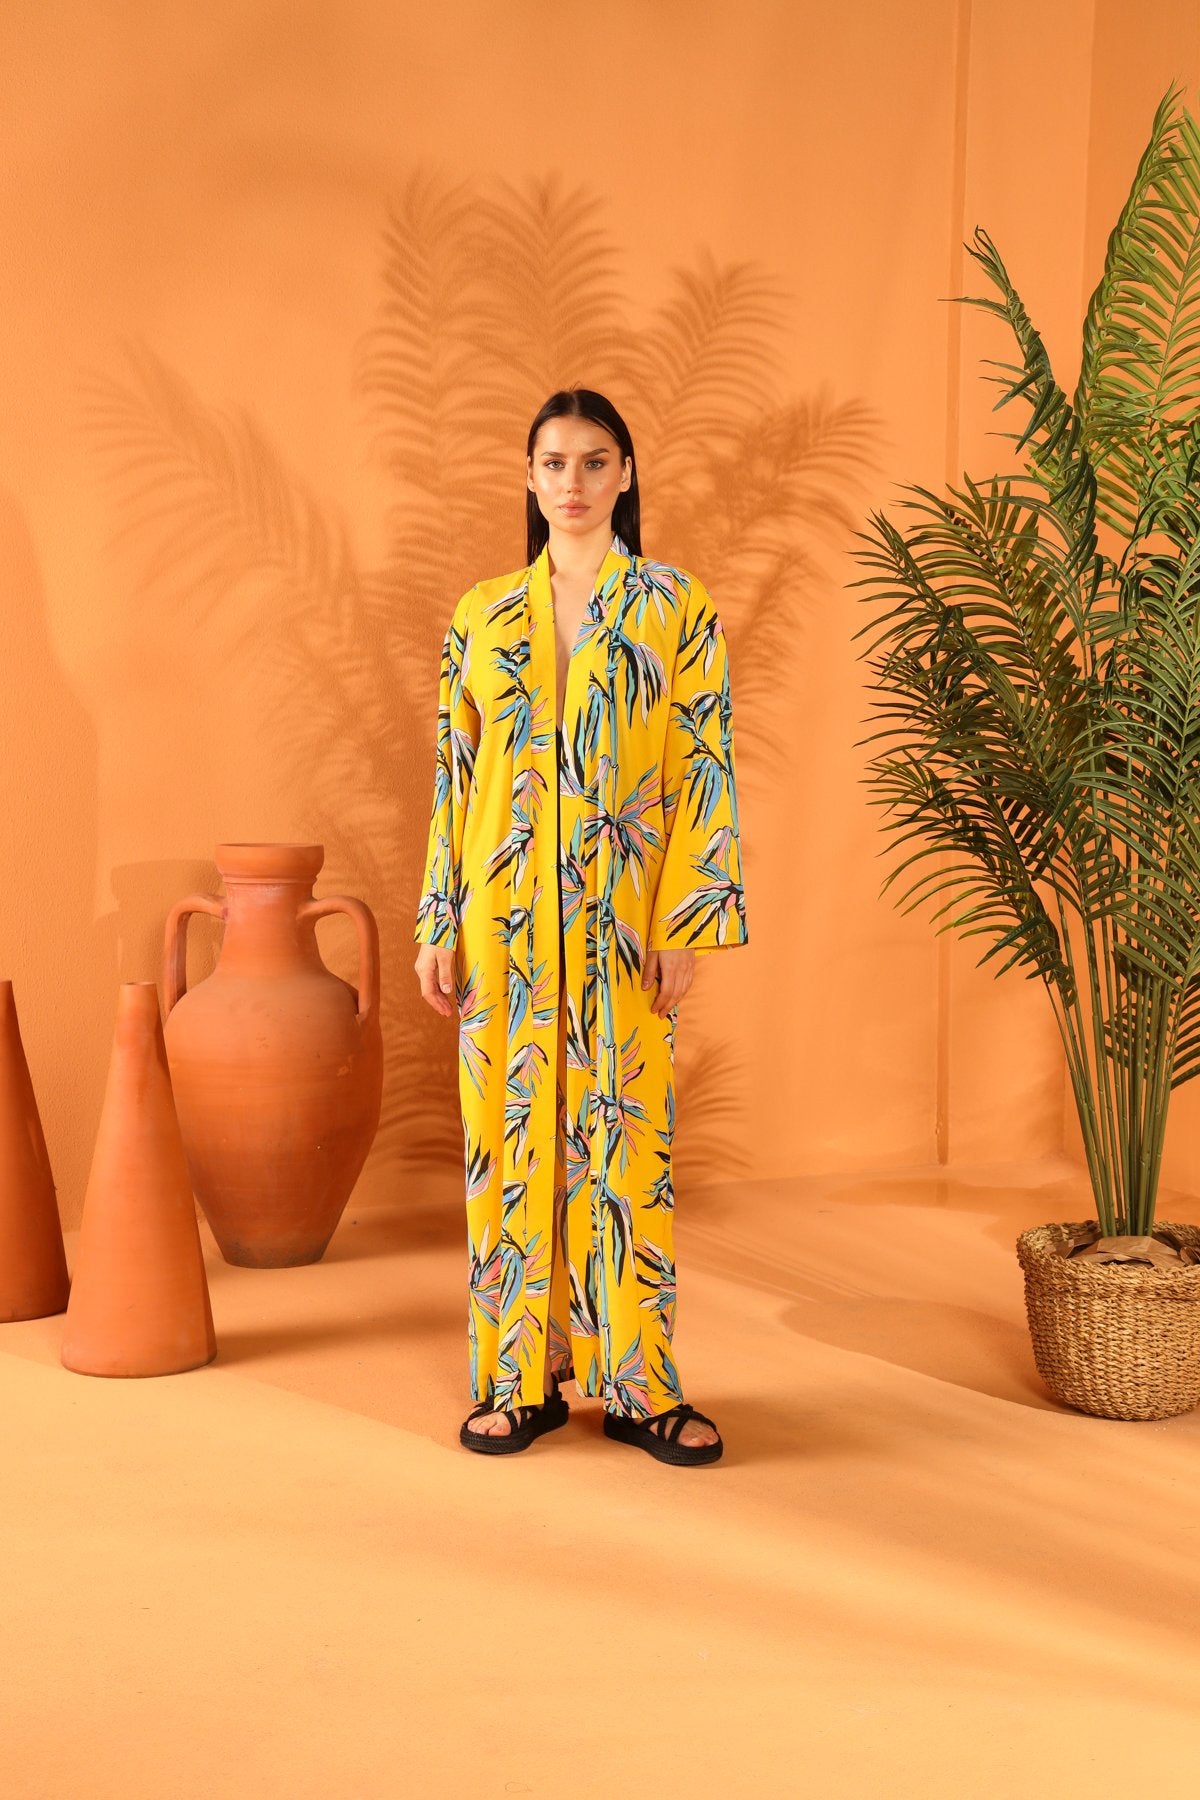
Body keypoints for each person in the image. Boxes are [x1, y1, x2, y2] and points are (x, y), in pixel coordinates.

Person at [413, 387, 748, 1466]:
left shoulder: (675, 608)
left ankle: (641, 1388)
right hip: (503, 925)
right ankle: (517, 1381)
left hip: (623, 924)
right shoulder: (482, 616)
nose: (573, 482)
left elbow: (705, 767)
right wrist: (437, 920)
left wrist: (686, 920)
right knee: (509, 1142)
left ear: (626, 474)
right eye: (553, 463)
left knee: (626, 1144)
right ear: (529, 478)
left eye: (595, 461)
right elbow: (455, 778)